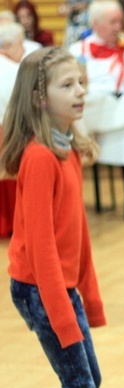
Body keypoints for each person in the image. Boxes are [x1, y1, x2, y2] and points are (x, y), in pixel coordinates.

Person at [1, 47, 103, 388]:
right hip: (40, 289)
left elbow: (76, 232)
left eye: (81, 82)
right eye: (67, 85)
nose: (80, 91)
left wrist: (89, 297)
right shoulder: (40, 157)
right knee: (78, 386)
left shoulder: (68, 150)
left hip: (59, 287)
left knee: (87, 382)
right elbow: (41, 246)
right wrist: (64, 313)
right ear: (40, 97)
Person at [69, 0, 124, 220]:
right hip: (87, 108)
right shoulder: (77, 50)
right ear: (96, 23)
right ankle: (72, 202)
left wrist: (120, 112)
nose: (117, 27)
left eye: (119, 21)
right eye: (112, 22)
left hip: (120, 106)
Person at [0, 21, 24, 240]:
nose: (24, 50)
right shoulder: (14, 71)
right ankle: (12, 222)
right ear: (6, 45)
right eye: (21, 44)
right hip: (6, 133)